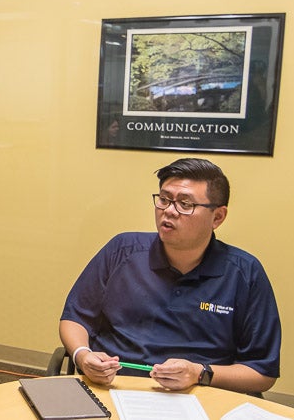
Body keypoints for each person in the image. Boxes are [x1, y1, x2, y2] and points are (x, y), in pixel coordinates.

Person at [59, 158, 281, 395]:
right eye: (164, 200)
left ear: (217, 217)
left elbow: (262, 372)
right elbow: (74, 318)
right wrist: (83, 355)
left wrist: (199, 373)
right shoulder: (122, 251)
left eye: (185, 204)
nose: (169, 211)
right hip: (115, 388)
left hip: (200, 396)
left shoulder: (244, 273)